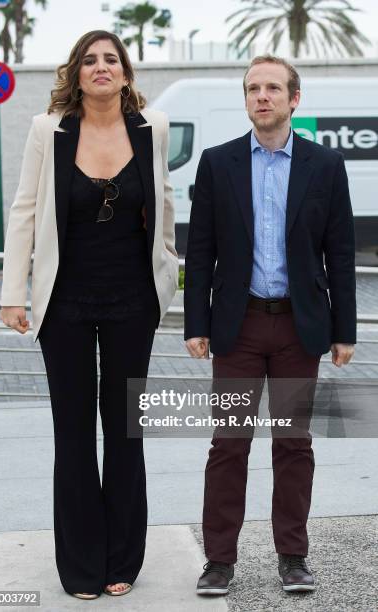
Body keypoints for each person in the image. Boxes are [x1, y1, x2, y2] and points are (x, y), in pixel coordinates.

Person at [0, 30, 178, 600]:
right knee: (72, 435)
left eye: (112, 59)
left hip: (133, 302)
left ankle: (123, 557)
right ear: (76, 74)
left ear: (125, 74)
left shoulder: (153, 129)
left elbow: (165, 209)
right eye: (90, 60)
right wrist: (12, 294)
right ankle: (80, 565)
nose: (102, 67)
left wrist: (166, 284)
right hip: (65, 305)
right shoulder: (46, 131)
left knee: (125, 433)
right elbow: (24, 211)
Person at [184, 55, 356, 595]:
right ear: (247, 99)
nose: (263, 96)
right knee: (229, 444)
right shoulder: (218, 162)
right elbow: (202, 248)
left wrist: (343, 330)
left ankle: (293, 557)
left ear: (293, 99)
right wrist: (196, 322)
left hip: (298, 330)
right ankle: (219, 561)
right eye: (254, 88)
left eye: (273, 88)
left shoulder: (324, 166)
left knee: (292, 444)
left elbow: (340, 251)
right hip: (238, 327)